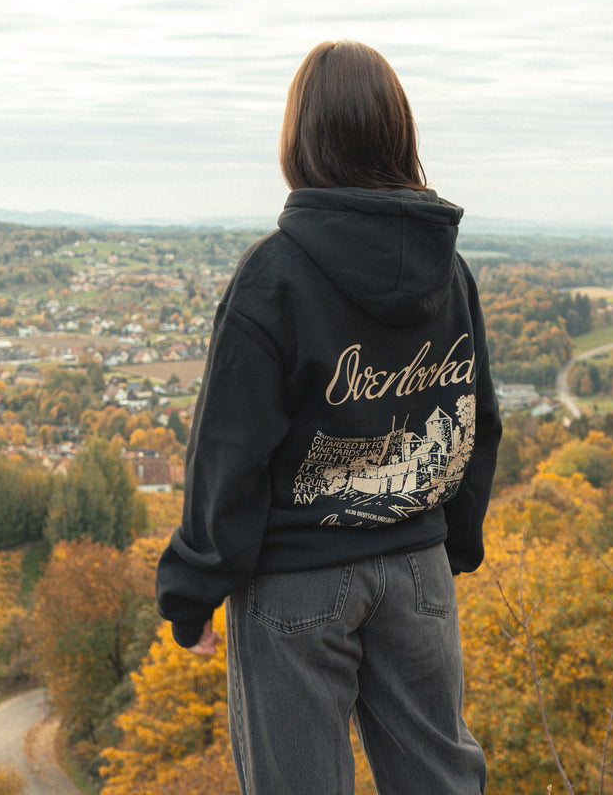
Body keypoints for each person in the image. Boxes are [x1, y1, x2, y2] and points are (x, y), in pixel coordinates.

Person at [155, 39, 502, 794]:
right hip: (419, 570)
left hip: (295, 580)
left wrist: (193, 594)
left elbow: (227, 454)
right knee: (442, 781)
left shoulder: (274, 275)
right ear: (397, 131)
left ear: (301, 139)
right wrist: (454, 547)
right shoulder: (452, 272)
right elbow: (476, 422)